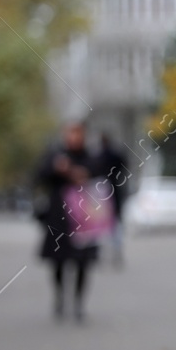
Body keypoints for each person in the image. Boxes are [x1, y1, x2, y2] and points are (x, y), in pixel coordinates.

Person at [36, 121, 110, 322]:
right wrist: (57, 169)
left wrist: (82, 174)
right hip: (59, 218)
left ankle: (78, 303)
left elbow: (104, 171)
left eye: (78, 133)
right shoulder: (55, 155)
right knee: (58, 262)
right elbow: (39, 176)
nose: (74, 137)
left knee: (83, 262)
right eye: (71, 133)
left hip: (84, 219)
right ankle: (60, 297)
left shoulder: (91, 157)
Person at [100, 132, 131, 269]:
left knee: (103, 228)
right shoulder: (115, 155)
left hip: (101, 196)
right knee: (115, 228)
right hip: (114, 194)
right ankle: (116, 254)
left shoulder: (100, 156)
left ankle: (105, 255)